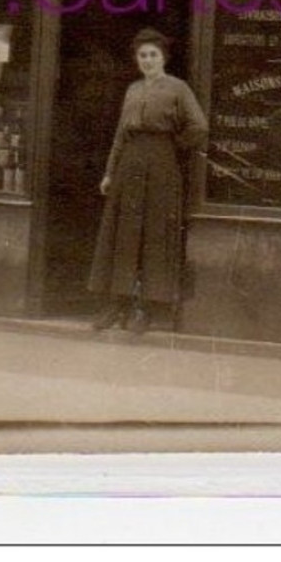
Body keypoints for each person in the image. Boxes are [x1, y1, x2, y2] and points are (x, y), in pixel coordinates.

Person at [88, 28, 208, 334]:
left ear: (163, 57)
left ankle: (147, 308)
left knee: (154, 236)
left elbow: (199, 127)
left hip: (161, 167)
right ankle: (118, 305)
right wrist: (109, 172)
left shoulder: (178, 89)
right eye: (142, 55)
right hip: (130, 165)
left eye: (153, 54)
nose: (148, 60)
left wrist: (172, 148)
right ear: (136, 59)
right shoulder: (132, 90)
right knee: (124, 235)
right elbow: (120, 134)